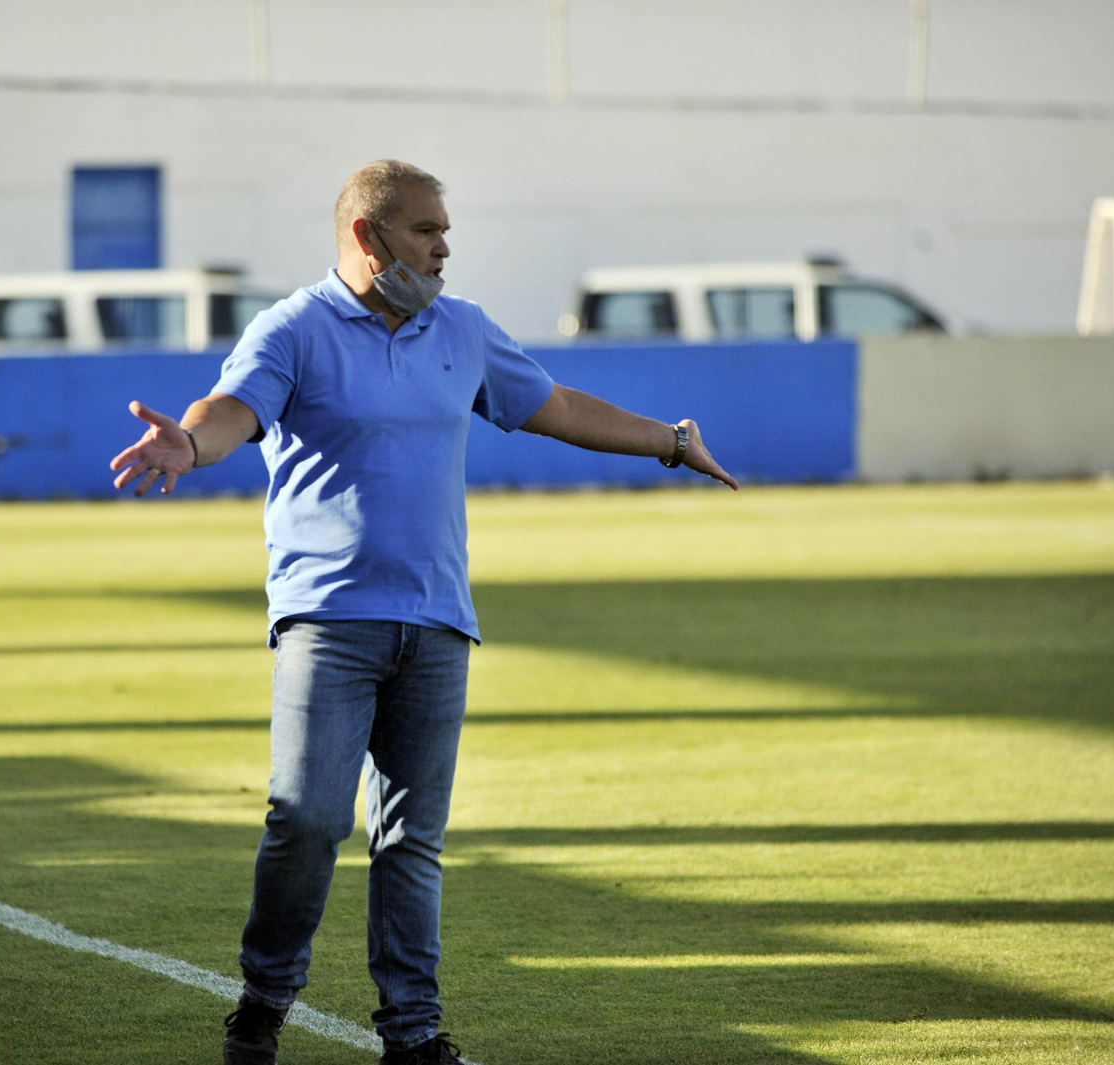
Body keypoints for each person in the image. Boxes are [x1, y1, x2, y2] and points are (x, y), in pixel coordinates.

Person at [110, 160, 737, 1065]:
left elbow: (556, 406)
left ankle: (411, 1034)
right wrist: (190, 444)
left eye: (446, 231)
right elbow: (230, 411)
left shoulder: (463, 330)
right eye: (426, 231)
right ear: (369, 237)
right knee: (307, 820)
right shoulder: (293, 329)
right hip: (328, 621)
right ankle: (264, 999)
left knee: (411, 841)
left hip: (440, 623)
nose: (445, 248)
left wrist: (671, 443)